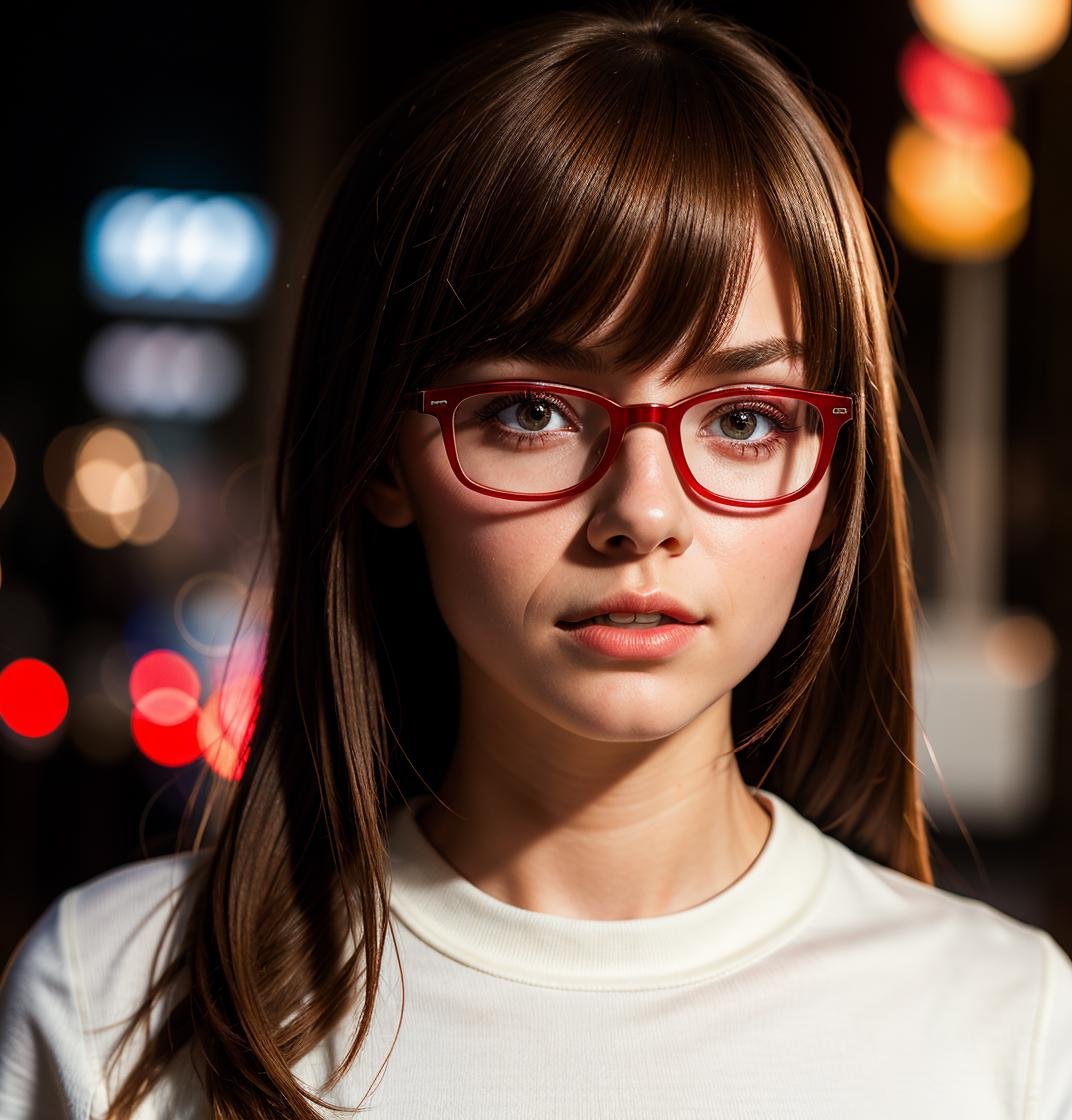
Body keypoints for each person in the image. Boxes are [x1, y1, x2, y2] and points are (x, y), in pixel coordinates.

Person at [2, 2, 1070, 1117]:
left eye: (745, 418)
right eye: (530, 411)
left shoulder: (1004, 1031)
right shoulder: (119, 999)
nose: (641, 512)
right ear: (382, 456)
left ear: (835, 475)